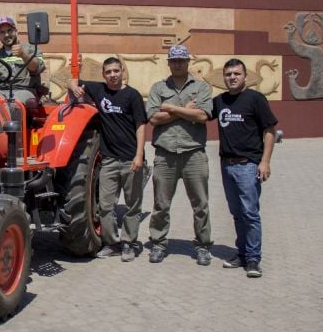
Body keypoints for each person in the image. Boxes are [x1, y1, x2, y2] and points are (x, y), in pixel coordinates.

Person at [70, 57, 147, 262]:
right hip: (110, 160)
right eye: (108, 72)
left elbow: (140, 126)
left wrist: (139, 155)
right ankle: (112, 243)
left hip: (131, 159)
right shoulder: (99, 90)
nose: (112, 75)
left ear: (122, 71)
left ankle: (129, 243)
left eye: (115, 71)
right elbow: (73, 81)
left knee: (132, 205)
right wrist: (74, 86)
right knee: (105, 206)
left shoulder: (133, 95)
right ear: (103, 74)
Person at [147, 45, 213, 265]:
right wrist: (186, 109)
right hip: (165, 154)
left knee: (200, 204)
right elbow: (153, 118)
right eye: (173, 60)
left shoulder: (201, 87)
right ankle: (158, 243)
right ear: (168, 63)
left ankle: (203, 246)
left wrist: (171, 108)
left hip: (194, 153)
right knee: (161, 204)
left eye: (181, 60)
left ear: (187, 62)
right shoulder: (158, 87)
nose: (177, 64)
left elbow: (202, 116)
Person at [211, 59, 277, 278]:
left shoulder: (255, 99)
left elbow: (269, 130)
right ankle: (241, 254)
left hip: (248, 165)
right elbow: (201, 114)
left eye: (236, 74)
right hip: (226, 165)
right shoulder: (220, 101)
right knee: (237, 213)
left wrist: (265, 161)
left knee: (250, 213)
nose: (232, 77)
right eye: (228, 74)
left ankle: (253, 259)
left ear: (245, 76)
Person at [0, 16, 46, 106]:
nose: (6, 35)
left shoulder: (30, 48)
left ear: (16, 31)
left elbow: (36, 68)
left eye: (9, 30)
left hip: (25, 90)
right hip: (1, 91)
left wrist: (23, 55)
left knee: (12, 104)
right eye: (2, 32)